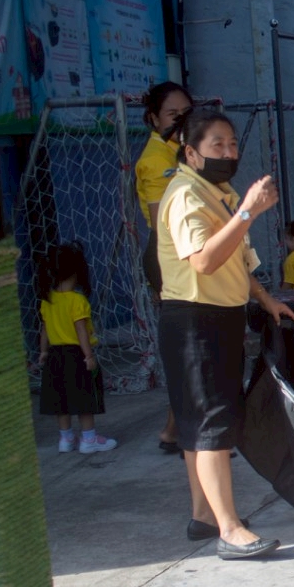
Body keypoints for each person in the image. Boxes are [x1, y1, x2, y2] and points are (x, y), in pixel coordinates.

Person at [158, 108, 294, 559]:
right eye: (216, 145)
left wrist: (263, 297)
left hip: (220, 316)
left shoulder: (215, 191)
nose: (228, 152)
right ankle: (230, 529)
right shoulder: (186, 195)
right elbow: (203, 260)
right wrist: (248, 212)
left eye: (232, 143)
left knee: (205, 423)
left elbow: (234, 255)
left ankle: (204, 515)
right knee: (211, 426)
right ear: (191, 153)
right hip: (195, 320)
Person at [135, 80, 192, 454]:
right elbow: (163, 225)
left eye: (186, 113)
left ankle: (176, 429)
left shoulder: (182, 150)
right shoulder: (157, 160)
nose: (181, 120)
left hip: (187, 253)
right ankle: (189, 433)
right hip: (171, 257)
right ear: (154, 118)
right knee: (190, 348)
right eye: (173, 114)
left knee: (195, 350)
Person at [36, 242, 115, 454]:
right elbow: (81, 330)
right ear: (77, 271)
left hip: (54, 355)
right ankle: (89, 439)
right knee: (83, 397)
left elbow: (44, 329)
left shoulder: (48, 300)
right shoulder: (77, 300)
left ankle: (66, 438)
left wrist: (43, 351)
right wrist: (88, 356)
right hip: (75, 355)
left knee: (60, 400)